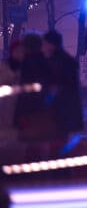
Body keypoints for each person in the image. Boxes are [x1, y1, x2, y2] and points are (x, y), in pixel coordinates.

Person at [41, 29, 83, 154]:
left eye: (45, 43)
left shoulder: (54, 62)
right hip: (67, 111)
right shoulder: (67, 60)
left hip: (57, 112)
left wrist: (44, 103)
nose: (43, 47)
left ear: (50, 44)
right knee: (62, 145)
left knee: (55, 147)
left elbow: (54, 87)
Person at [13, 32, 53, 161]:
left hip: (29, 112)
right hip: (44, 111)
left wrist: (18, 114)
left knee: (30, 147)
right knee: (42, 145)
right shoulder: (47, 63)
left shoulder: (26, 65)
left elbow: (23, 92)